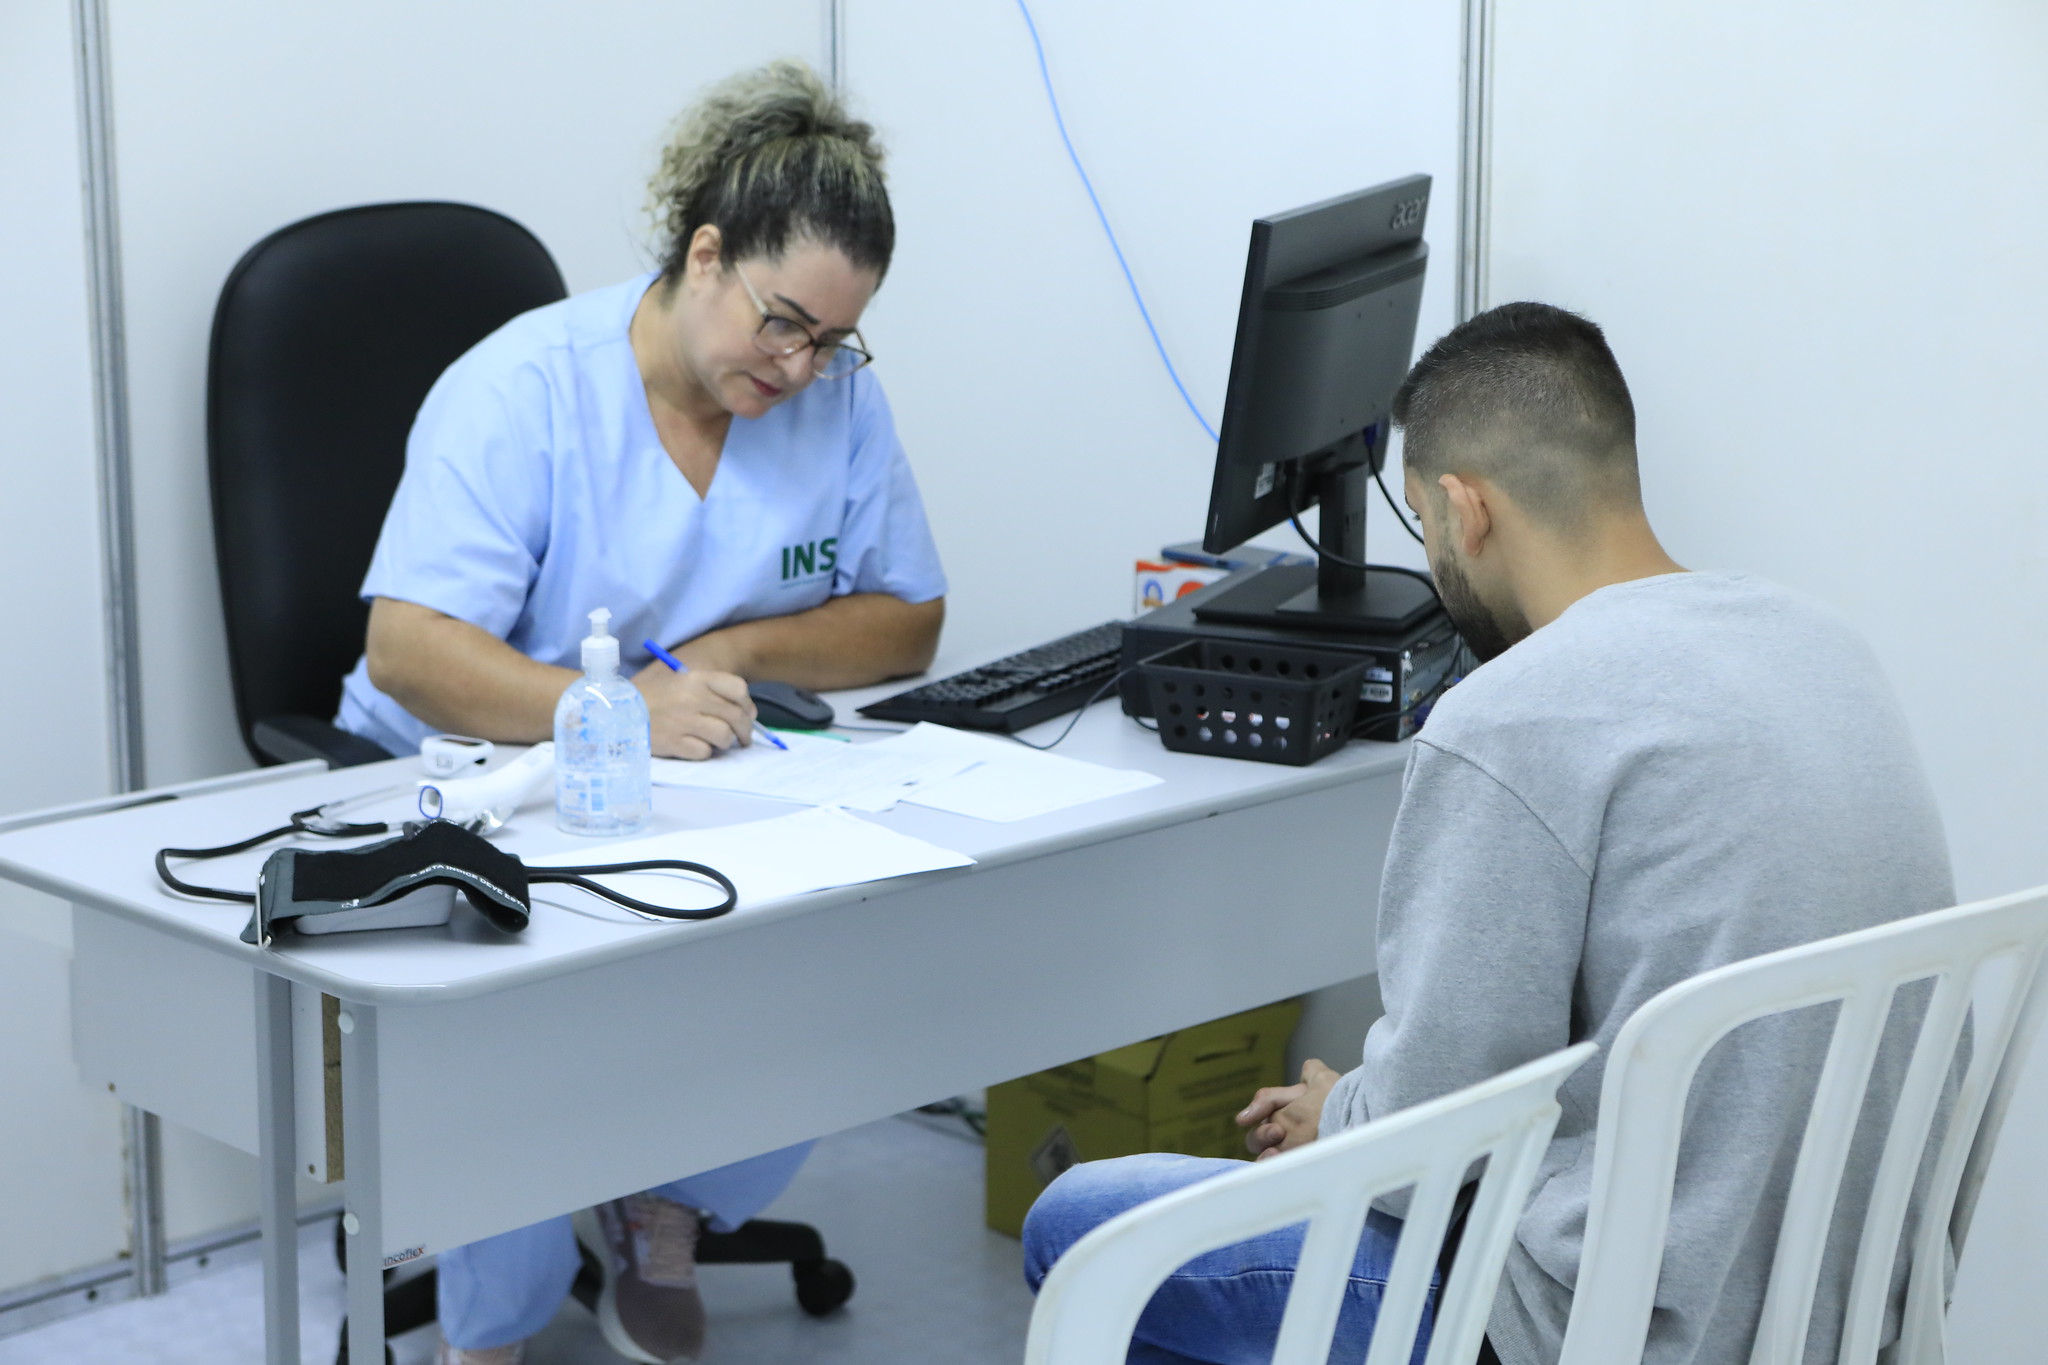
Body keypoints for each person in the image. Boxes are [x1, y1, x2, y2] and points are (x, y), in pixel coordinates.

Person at [1022, 303, 1955, 1365]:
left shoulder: (1511, 714)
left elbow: (1423, 1146)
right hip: (1831, 1310)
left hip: (1605, 1326)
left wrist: (1342, 1116)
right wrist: (1369, 1110)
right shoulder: (1822, 649)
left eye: (1421, 526)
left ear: (1463, 510)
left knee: (1084, 1226)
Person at [334, 62, 946, 1365]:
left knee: (831, 940)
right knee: (508, 1008)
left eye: (834, 340)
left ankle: (666, 1207)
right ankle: (483, 1334)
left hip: (699, 775)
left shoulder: (830, 400)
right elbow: (404, 648)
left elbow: (907, 618)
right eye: (783, 322)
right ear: (707, 255)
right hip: (470, 774)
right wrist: (611, 713)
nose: (801, 363)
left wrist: (731, 645)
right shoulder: (524, 393)